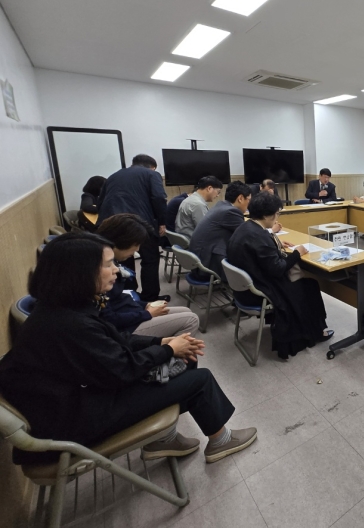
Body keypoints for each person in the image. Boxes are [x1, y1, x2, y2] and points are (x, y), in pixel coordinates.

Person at [0, 233, 257, 466]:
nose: (116, 270)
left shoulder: (63, 308)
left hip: (82, 397)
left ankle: (163, 438)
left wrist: (160, 343)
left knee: (186, 359)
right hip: (74, 421)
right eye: (107, 265)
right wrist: (167, 350)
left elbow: (113, 342)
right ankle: (220, 441)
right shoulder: (70, 323)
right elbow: (122, 369)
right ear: (79, 272)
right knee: (200, 380)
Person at [226, 192, 332, 359]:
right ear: (266, 215)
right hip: (259, 291)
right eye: (277, 213)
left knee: (307, 284)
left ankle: (314, 329)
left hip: (243, 289)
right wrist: (297, 253)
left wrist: (274, 243)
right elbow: (277, 269)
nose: (277, 217)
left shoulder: (246, 227)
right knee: (310, 286)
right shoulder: (259, 235)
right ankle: (316, 332)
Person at [97, 214, 199, 338]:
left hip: (128, 311)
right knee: (191, 320)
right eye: (135, 245)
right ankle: (167, 349)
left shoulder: (107, 260)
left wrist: (145, 305)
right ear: (121, 241)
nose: (137, 250)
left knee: (186, 311)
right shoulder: (99, 272)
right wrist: (147, 314)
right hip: (125, 327)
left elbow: (117, 298)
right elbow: (109, 319)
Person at [97, 154, 168, 302]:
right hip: (139, 224)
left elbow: (101, 202)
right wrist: (161, 222)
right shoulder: (151, 174)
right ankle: (150, 298)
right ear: (152, 167)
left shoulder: (113, 176)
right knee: (150, 260)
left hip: (113, 225)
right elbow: (159, 198)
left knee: (123, 260)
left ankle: (129, 295)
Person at [188, 181, 251, 279]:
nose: (249, 203)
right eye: (249, 200)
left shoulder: (221, 205)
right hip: (207, 265)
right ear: (240, 198)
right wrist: (270, 230)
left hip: (199, 260)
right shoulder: (231, 211)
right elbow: (248, 235)